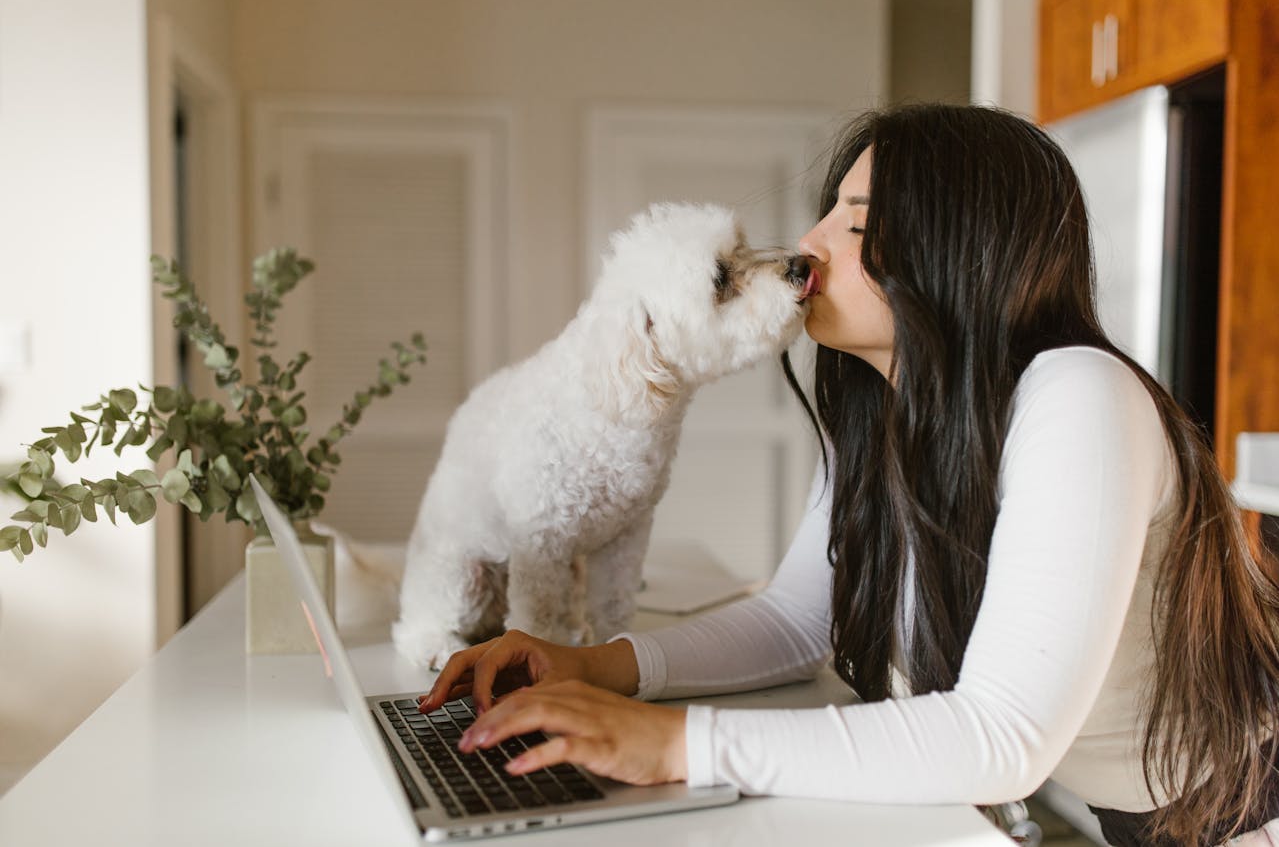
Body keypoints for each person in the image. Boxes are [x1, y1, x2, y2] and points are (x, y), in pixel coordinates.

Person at [417, 104, 1279, 846]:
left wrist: (675, 742)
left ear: (954, 253)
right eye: (828, 209)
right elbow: (798, 619)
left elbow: (1002, 735)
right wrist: (599, 667)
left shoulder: (1078, 395)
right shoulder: (884, 414)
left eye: (856, 224)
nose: (809, 243)